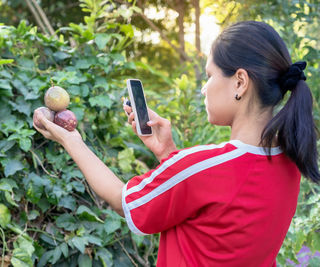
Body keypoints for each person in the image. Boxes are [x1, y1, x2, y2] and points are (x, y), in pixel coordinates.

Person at [33, 21, 319, 267]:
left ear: (240, 82)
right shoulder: (290, 166)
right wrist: (167, 154)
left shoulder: (204, 166)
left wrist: (71, 141)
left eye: (209, 75)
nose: (204, 87)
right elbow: (213, 220)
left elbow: (125, 203)